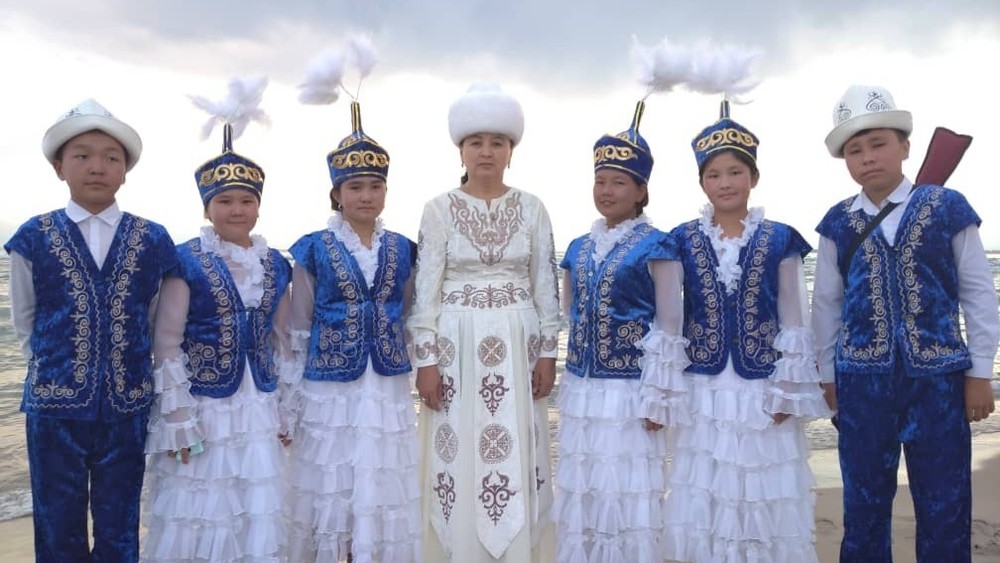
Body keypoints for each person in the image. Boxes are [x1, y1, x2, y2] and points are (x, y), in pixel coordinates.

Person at [812, 84, 999, 561]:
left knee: (945, 504)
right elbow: (826, 306)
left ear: (905, 147)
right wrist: (827, 377)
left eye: (878, 144)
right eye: (855, 150)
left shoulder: (948, 207)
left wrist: (980, 372)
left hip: (939, 382)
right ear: (845, 161)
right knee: (864, 507)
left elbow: (978, 293)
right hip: (861, 383)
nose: (868, 157)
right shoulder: (836, 223)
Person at [4, 99, 177, 561]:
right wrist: (59, 371)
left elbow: (156, 318)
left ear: (125, 171)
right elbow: (25, 318)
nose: (97, 167)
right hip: (54, 407)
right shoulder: (33, 236)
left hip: (128, 402)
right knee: (56, 520)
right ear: (59, 167)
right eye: (82, 156)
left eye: (111, 157)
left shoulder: (153, 238)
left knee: (120, 519)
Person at [662, 100, 829, 562]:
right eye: (714, 174)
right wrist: (666, 389)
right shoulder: (680, 239)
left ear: (754, 177)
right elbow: (670, 320)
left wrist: (789, 388)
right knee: (708, 485)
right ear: (701, 182)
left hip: (763, 384)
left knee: (762, 482)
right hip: (704, 386)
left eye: (735, 172)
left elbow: (795, 316)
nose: (725, 183)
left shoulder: (781, 238)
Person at [142, 80, 293, 562]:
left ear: (258, 206)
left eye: (246, 200)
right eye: (225, 201)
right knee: (202, 505)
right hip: (205, 405)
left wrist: (286, 406)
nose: (236, 210)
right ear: (207, 207)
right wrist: (178, 417)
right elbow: (166, 342)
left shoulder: (277, 263)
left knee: (256, 504)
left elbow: (281, 339)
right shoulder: (185, 259)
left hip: (259, 403)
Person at [410, 82, 560, 562]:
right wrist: (426, 362)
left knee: (518, 446)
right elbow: (425, 292)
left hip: (518, 345)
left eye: (497, 142)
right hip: (455, 345)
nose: (487, 152)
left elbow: (545, 286)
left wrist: (547, 353)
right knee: (457, 448)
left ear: (511, 151)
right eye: (476, 142)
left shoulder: (533, 208)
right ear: (461, 150)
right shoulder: (438, 210)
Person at [284, 98, 422, 563]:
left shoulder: (404, 249)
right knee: (333, 481)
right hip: (329, 389)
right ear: (337, 194)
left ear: (386, 191)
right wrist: (290, 400)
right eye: (356, 187)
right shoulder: (313, 248)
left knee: (381, 480)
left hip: (385, 384)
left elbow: (408, 314)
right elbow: (297, 327)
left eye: (375, 187)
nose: (366, 196)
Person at [551, 100, 688, 562]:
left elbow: (670, 324)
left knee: (627, 490)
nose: (607, 191)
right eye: (601, 181)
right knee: (586, 486)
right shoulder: (576, 248)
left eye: (619, 182)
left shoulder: (658, 245)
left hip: (631, 392)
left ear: (641, 190)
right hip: (583, 389)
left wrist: (659, 396)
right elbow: (568, 314)